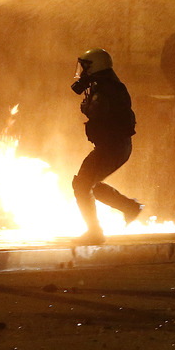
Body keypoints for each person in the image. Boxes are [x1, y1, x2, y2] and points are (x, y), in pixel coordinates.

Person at [70, 48, 144, 245]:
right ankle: (130, 208)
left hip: (112, 147)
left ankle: (95, 233)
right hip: (115, 147)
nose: (82, 71)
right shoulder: (107, 85)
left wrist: (87, 108)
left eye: (85, 67)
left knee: (82, 184)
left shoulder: (106, 88)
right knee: (89, 184)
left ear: (95, 66)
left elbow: (99, 113)